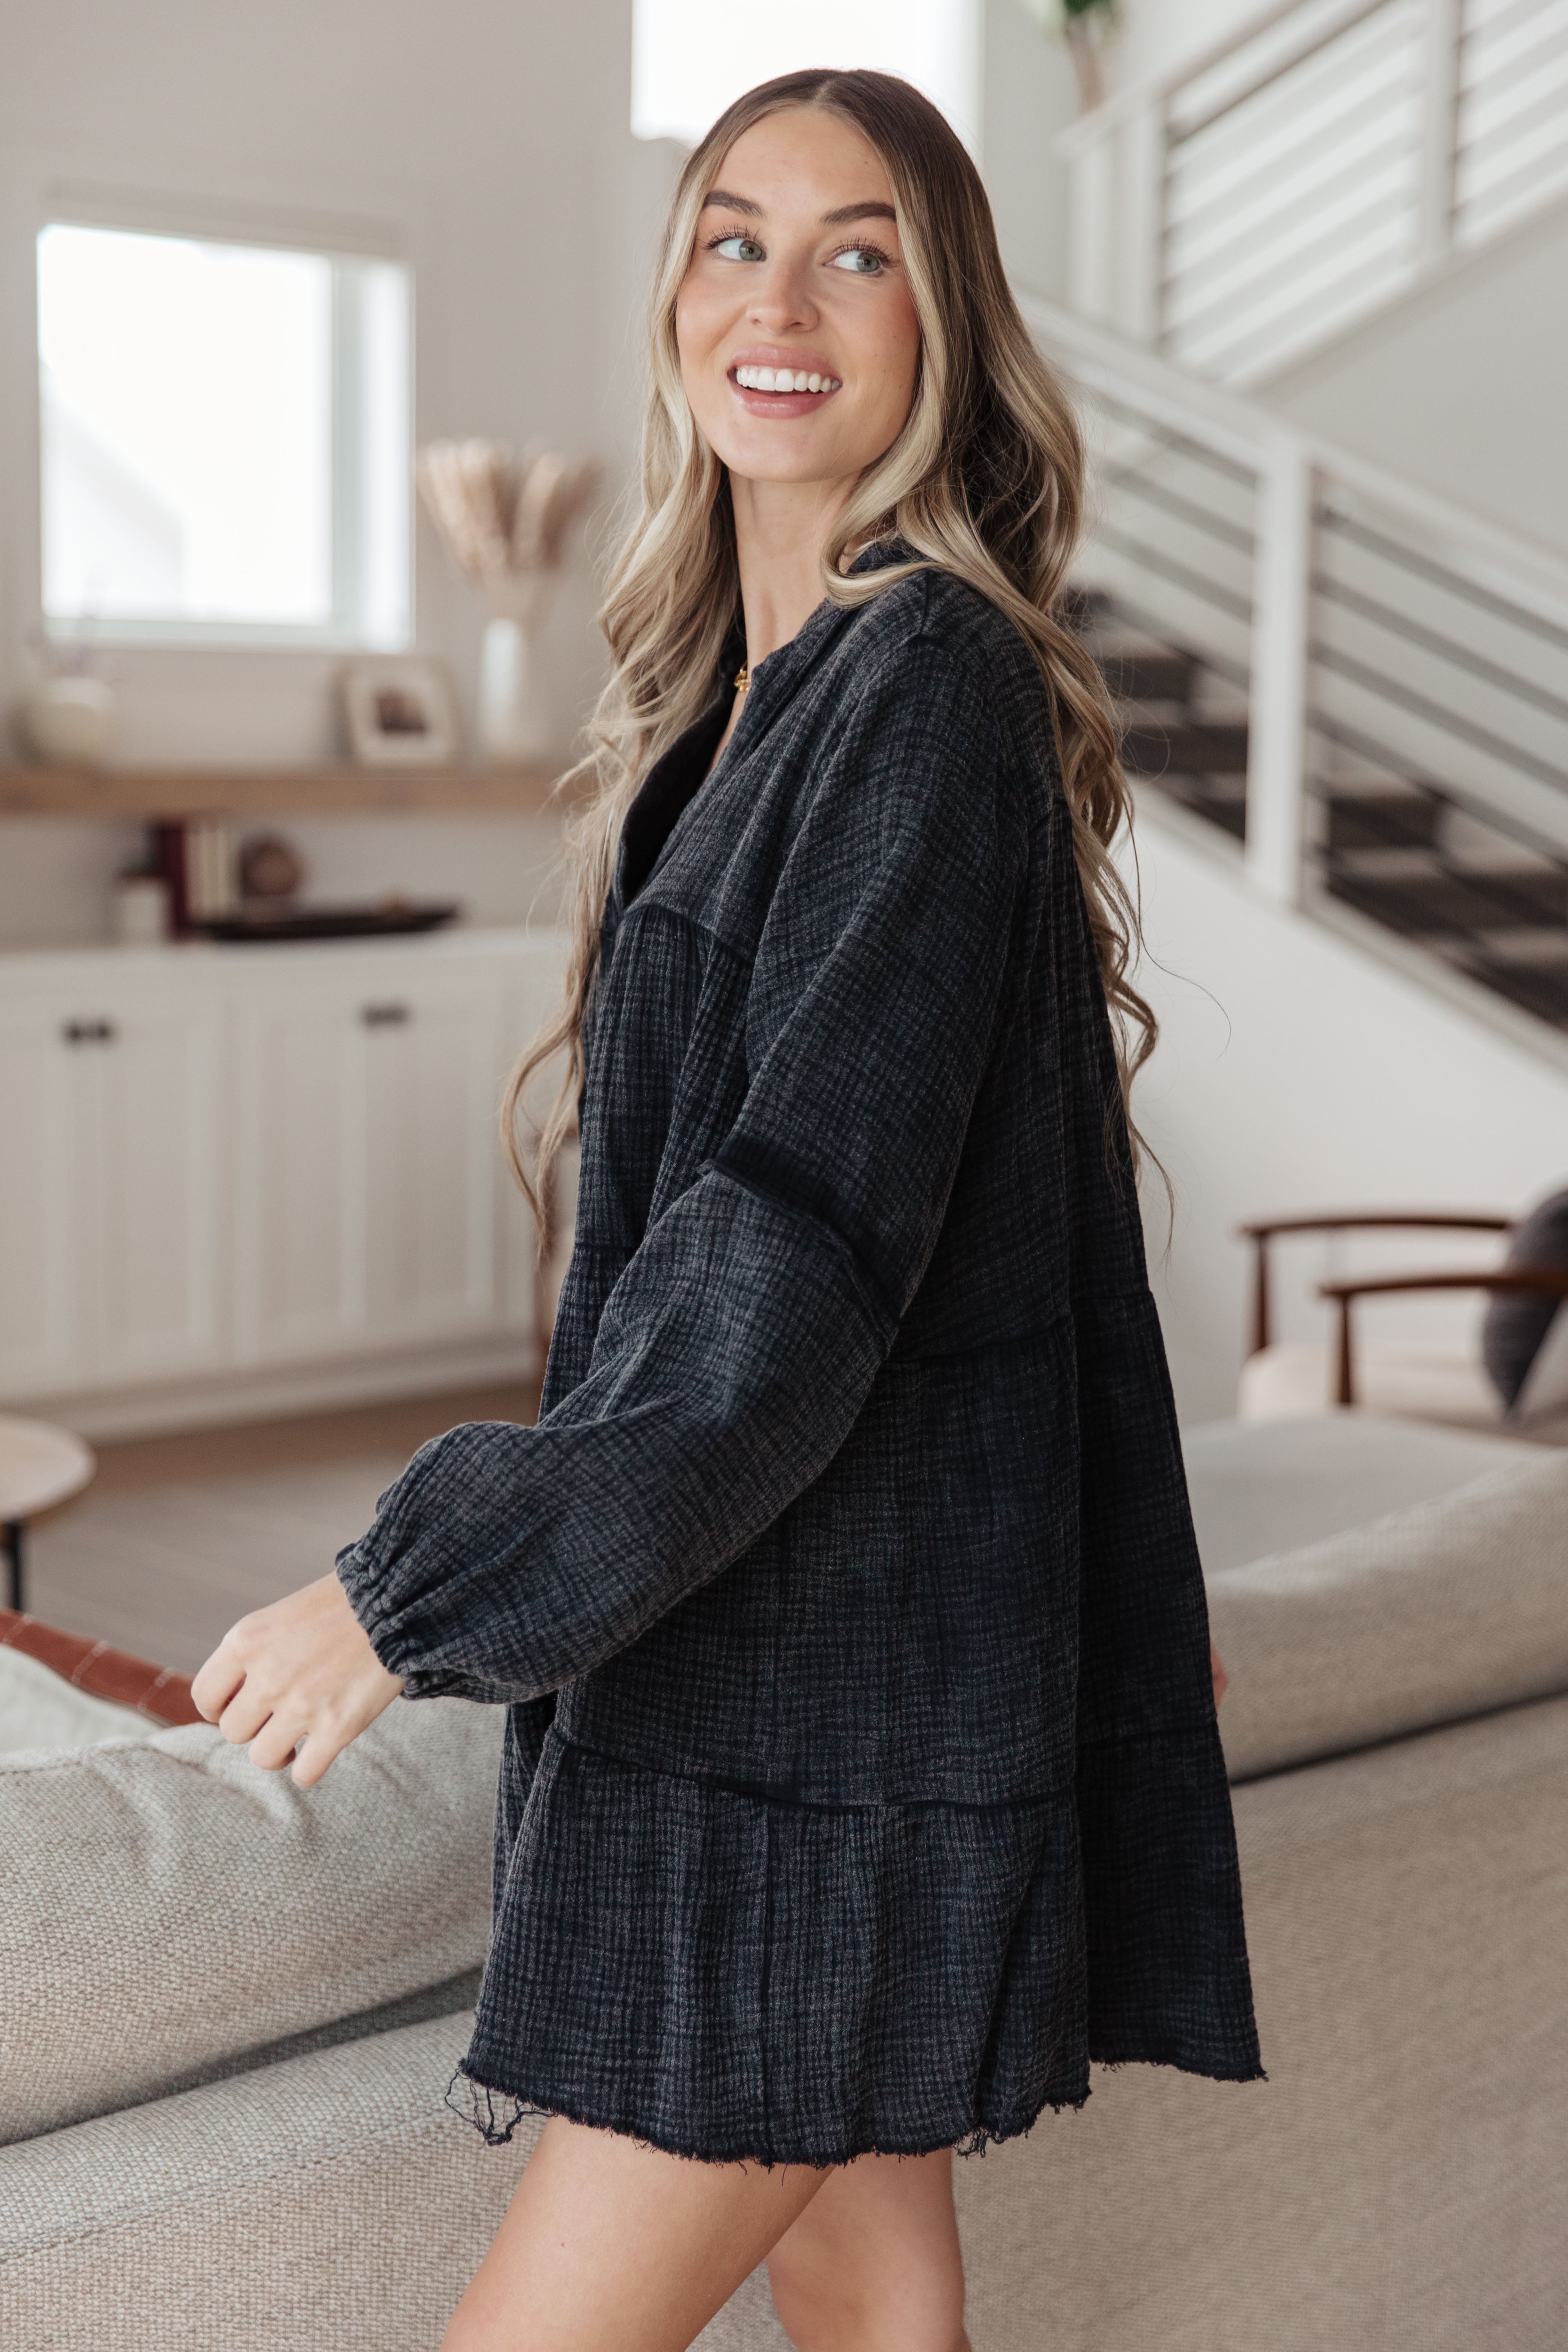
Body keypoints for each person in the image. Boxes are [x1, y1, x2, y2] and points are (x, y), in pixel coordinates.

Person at [192, 68, 1260, 2352]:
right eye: (728, 236)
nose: (781, 298)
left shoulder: (924, 687)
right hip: (773, 1694)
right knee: (885, 2318)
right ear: (673, 295)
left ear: (942, 321)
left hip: (822, 1750)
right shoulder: (741, 702)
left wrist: (412, 1585)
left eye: (857, 248)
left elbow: (790, 1242)